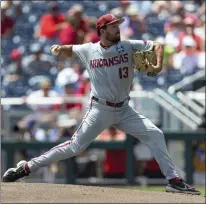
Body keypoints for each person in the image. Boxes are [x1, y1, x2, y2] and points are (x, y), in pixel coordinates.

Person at [3, 13, 200, 195]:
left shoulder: (128, 45)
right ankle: (27, 167)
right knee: (75, 147)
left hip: (124, 109)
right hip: (100, 109)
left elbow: (156, 45)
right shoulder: (89, 49)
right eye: (113, 26)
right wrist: (59, 49)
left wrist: (157, 65)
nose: (117, 28)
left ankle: (173, 180)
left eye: (118, 25)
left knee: (155, 134)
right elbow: (70, 50)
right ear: (102, 30)